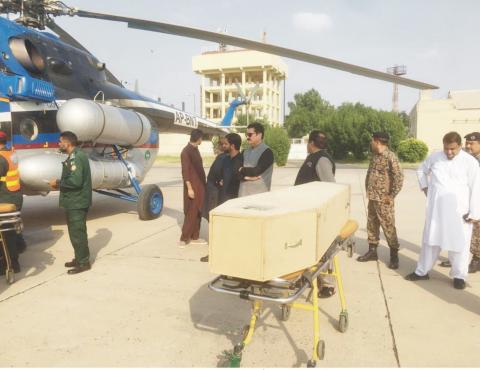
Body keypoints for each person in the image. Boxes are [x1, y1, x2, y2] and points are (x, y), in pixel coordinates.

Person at [405, 132, 480, 290]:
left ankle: (459, 276)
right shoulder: (435, 157)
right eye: (446, 148)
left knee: (459, 245)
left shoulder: (470, 162)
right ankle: (421, 272)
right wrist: (425, 187)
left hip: (460, 213)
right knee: (430, 242)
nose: (449, 152)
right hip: (436, 211)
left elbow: (476, 188)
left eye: (452, 149)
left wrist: (474, 213)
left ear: (459, 146)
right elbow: (421, 171)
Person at [294, 130, 337, 297]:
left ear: (311, 143)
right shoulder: (314, 157)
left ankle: (327, 284)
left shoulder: (322, 159)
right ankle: (306, 277)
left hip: (317, 213)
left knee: (323, 248)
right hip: (306, 211)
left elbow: (330, 188)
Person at [357, 132, 404, 269]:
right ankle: (372, 252)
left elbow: (399, 178)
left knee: (388, 227)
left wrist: (391, 196)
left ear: (377, 141)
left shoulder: (390, 157)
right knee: (372, 225)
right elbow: (370, 174)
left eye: (372, 140)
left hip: (384, 200)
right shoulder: (375, 156)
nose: (371, 143)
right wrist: (368, 190)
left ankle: (394, 256)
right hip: (373, 197)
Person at [49, 131, 92, 274]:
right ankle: (79, 258)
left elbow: (76, 181)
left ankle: (84, 263)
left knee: (78, 233)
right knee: (75, 233)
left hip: (77, 202)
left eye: (60, 141)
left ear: (67, 143)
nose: (59, 144)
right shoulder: (74, 156)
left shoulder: (76, 157)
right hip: (74, 201)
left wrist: (58, 183)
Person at [200, 133, 243, 263]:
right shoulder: (226, 159)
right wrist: (219, 181)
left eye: (226, 143)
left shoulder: (240, 160)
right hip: (222, 199)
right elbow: (218, 175)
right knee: (218, 229)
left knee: (230, 231)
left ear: (232, 145)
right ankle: (216, 253)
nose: (223, 145)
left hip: (233, 201)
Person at [0, 130, 22, 276]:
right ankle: (15, 256)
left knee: (6, 235)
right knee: (11, 232)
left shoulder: (1, 158)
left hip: (5, 199)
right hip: (15, 196)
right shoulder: (11, 153)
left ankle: (11, 264)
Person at [179, 129, 207, 247]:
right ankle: (184, 238)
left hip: (200, 185)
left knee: (198, 211)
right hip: (193, 187)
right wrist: (189, 189)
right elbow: (185, 172)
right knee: (191, 212)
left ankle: (195, 237)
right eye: (202, 138)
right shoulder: (186, 152)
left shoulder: (195, 149)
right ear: (198, 138)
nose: (202, 140)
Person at [238, 122, 274, 197]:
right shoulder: (245, 151)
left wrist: (241, 170)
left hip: (259, 196)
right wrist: (246, 177)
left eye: (250, 134)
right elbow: (235, 170)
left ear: (259, 135)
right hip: (242, 195)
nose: (247, 137)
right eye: (246, 134)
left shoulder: (267, 152)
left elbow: (256, 171)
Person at [202, 137, 229, 222]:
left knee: (213, 211)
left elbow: (216, 172)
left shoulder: (221, 157)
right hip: (214, 188)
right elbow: (217, 171)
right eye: (221, 144)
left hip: (213, 188)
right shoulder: (223, 157)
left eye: (224, 144)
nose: (222, 146)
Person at [464, 132, 480, 273]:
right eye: (467, 143)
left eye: (472, 143)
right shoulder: (465, 159)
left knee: (477, 232)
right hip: (466, 200)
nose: (468, 146)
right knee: (464, 230)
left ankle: (477, 259)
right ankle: (459, 258)